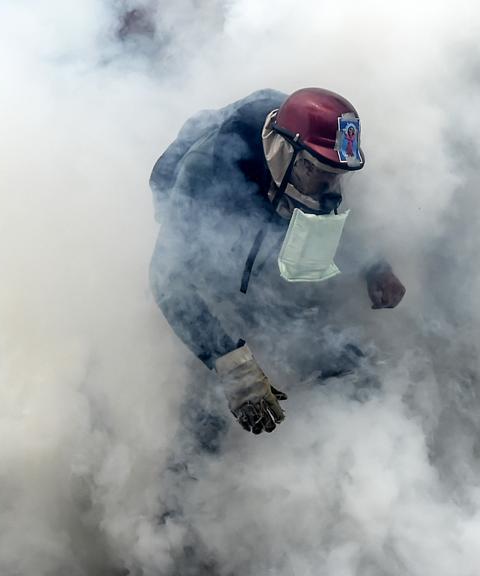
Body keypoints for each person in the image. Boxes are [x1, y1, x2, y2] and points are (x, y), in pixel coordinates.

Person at [149, 88, 405, 445]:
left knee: (336, 354)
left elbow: (338, 214)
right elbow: (167, 280)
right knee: (210, 384)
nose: (332, 189)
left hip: (267, 218)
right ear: (287, 153)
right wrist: (232, 365)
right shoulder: (208, 174)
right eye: (323, 174)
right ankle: (192, 458)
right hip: (207, 246)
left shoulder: (314, 151)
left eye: (338, 175)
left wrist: (374, 266)